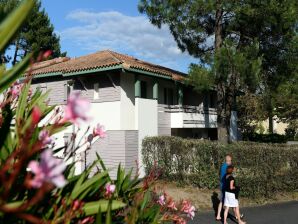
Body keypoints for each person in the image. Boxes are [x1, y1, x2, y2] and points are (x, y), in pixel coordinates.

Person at [216, 154, 232, 221]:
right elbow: (228, 177)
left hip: (222, 185)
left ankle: (218, 215)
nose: (231, 162)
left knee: (222, 201)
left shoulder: (222, 166)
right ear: (228, 160)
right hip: (226, 187)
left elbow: (221, 176)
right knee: (231, 201)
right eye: (231, 160)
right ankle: (237, 216)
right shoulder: (228, 167)